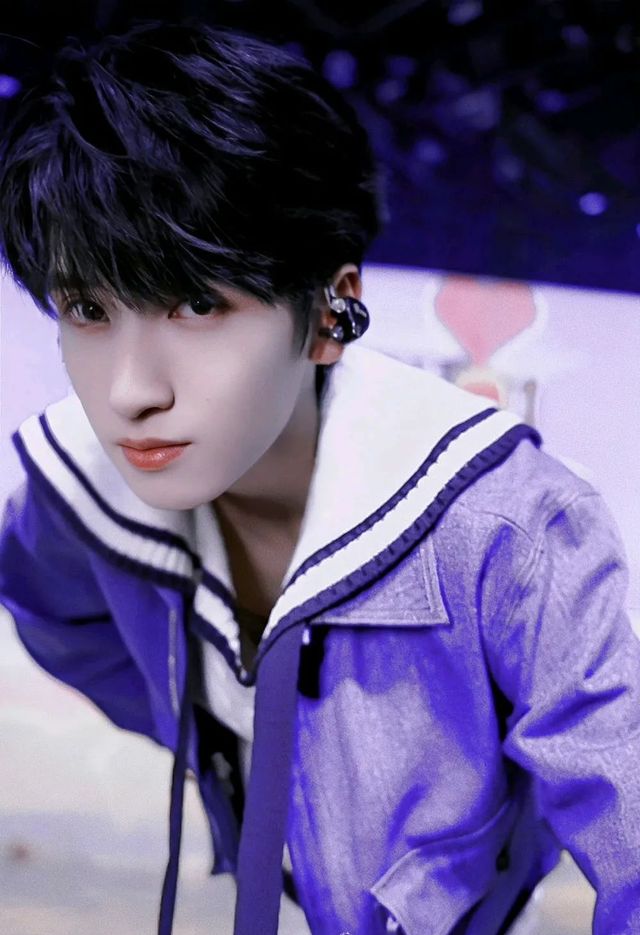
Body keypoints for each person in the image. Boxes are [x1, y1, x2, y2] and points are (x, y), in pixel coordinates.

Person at [0, 17, 639, 935]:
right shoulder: (73, 492)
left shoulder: (512, 526)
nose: (131, 390)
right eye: (87, 308)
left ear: (331, 312)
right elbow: (60, 622)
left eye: (197, 302)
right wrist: (227, 742)